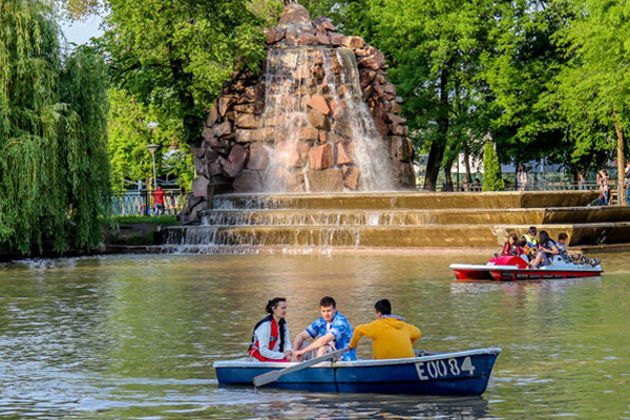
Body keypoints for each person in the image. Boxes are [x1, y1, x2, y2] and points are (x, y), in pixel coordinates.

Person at [348, 299, 421, 360]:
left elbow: (358, 329)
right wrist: (409, 343)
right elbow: (418, 333)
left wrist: (352, 346)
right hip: (408, 361)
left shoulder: (377, 325)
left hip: (384, 362)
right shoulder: (404, 325)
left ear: (379, 313)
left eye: (375, 313)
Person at [292, 296, 356, 362]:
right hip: (328, 354)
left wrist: (303, 351)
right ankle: (291, 369)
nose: (326, 314)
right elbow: (302, 335)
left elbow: (324, 340)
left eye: (329, 311)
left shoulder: (341, 322)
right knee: (301, 344)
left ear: (334, 310)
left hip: (344, 357)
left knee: (323, 348)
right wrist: (295, 352)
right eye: (323, 311)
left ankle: (318, 371)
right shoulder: (321, 321)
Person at [248, 297, 292, 362]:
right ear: (274, 309)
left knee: (297, 357)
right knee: (293, 360)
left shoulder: (283, 323)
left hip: (275, 355)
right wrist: (283, 355)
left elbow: (287, 342)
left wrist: (288, 353)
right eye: (282, 308)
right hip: (261, 358)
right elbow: (263, 351)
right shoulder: (265, 325)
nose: (285, 311)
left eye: (285, 308)